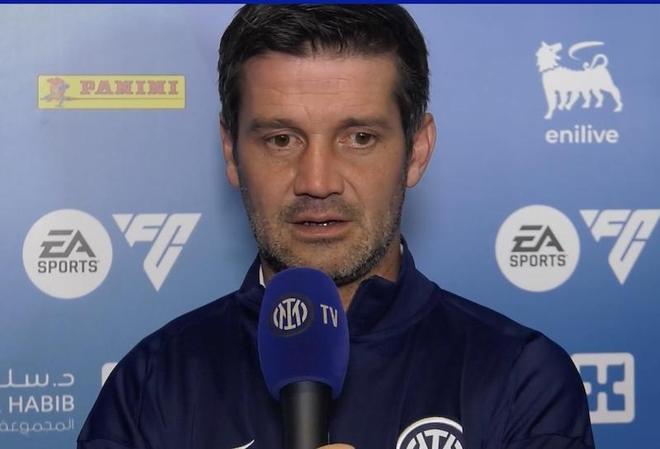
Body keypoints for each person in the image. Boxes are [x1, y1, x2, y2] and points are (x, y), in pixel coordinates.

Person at [78, 5, 594, 449]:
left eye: (359, 138)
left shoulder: (520, 378)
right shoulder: (150, 384)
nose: (317, 182)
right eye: (281, 140)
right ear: (231, 153)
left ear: (416, 151)